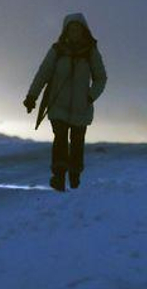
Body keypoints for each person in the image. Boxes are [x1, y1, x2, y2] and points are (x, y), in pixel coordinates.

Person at [23, 13, 107, 192]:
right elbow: (43, 74)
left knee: (77, 141)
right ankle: (59, 176)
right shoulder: (57, 50)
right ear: (66, 30)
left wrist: (90, 96)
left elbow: (101, 78)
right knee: (60, 139)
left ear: (83, 31)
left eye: (77, 28)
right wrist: (32, 97)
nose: (74, 31)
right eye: (71, 28)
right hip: (58, 106)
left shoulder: (90, 51)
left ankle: (75, 175)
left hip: (81, 107)